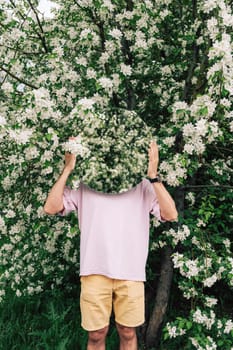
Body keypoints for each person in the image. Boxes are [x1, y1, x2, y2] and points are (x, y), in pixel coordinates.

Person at [44, 140, 178, 350]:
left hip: (130, 272)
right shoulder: (85, 187)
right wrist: (68, 168)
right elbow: (51, 207)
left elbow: (171, 214)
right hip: (94, 271)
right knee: (96, 334)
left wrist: (153, 176)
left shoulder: (142, 187)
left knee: (127, 331)